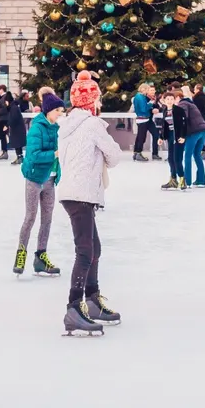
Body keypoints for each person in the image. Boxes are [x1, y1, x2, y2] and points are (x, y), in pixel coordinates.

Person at [57, 71, 123, 336]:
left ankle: (93, 300)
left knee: (94, 247)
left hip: (71, 191)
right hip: (82, 192)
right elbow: (115, 156)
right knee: (85, 251)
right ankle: (74, 308)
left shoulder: (66, 125)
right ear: (91, 100)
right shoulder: (93, 124)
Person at [16, 93, 64, 277]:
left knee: (47, 219)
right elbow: (33, 155)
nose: (60, 114)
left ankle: (40, 257)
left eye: (61, 110)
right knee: (30, 217)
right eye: (57, 111)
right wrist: (55, 154)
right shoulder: (37, 128)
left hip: (50, 180)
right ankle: (21, 255)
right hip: (35, 178)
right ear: (48, 110)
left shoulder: (56, 127)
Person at [177, 85, 205, 189]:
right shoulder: (191, 103)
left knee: (187, 155)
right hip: (203, 130)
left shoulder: (182, 104)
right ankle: (201, 179)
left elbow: (184, 117)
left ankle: (187, 180)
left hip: (194, 132)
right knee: (197, 155)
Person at [160, 89, 185, 190]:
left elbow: (184, 124)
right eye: (167, 99)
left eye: (171, 99)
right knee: (170, 159)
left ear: (174, 100)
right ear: (164, 100)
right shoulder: (165, 110)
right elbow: (164, 125)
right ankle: (173, 179)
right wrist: (161, 137)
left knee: (177, 159)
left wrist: (183, 136)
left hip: (178, 137)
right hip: (170, 136)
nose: (169, 101)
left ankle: (183, 180)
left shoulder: (179, 110)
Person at [131, 83, 157, 162]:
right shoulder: (140, 97)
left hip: (141, 119)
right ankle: (138, 153)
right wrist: (150, 104)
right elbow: (144, 108)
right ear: (143, 89)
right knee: (142, 137)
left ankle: (136, 153)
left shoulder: (138, 97)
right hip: (143, 119)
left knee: (139, 136)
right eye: (147, 90)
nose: (148, 91)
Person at [5, 89, 28, 165]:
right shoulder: (13, 107)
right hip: (18, 128)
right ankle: (20, 157)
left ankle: (20, 157)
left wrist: (7, 125)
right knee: (17, 144)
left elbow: (13, 118)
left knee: (17, 143)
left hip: (17, 129)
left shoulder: (13, 108)